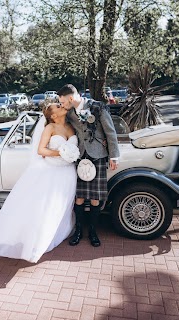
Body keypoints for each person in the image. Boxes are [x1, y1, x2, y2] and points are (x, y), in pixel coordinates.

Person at [0, 98, 78, 263]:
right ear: (53, 115)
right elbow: (41, 150)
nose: (61, 105)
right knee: (48, 206)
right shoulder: (50, 127)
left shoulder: (70, 126)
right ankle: (36, 240)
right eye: (57, 106)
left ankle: (58, 231)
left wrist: (69, 154)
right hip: (53, 171)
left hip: (68, 173)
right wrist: (61, 153)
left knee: (62, 206)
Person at [57, 84, 120, 247]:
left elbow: (110, 132)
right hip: (79, 155)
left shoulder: (98, 107)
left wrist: (114, 155)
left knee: (94, 197)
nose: (62, 105)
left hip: (97, 154)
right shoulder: (69, 112)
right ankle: (78, 231)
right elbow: (56, 119)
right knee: (79, 196)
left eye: (63, 102)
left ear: (70, 98)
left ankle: (93, 231)